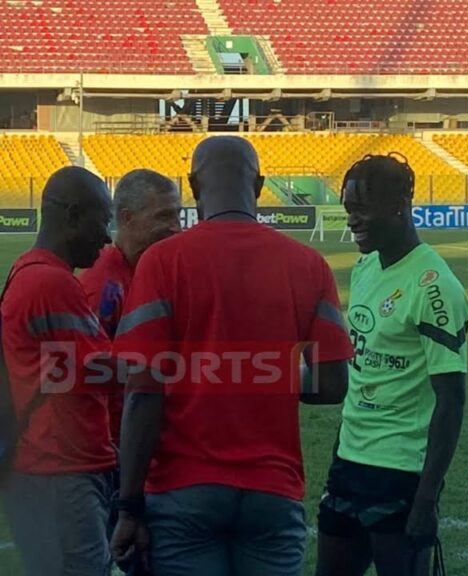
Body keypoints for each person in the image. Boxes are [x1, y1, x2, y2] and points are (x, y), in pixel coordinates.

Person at [110, 138, 353, 576]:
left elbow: (143, 391)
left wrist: (128, 505)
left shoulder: (162, 262)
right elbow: (333, 383)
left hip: (183, 491)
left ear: (193, 186)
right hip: (273, 492)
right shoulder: (309, 264)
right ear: (259, 185)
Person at [314, 152, 468, 576]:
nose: (351, 222)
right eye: (349, 211)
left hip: (401, 472)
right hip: (349, 464)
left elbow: (451, 401)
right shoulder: (364, 268)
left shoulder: (435, 288)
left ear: (398, 205)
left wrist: (426, 500)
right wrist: (340, 448)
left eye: (361, 211)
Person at [1, 166, 114, 576]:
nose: (106, 236)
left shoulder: (28, 272)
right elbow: (100, 371)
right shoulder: (52, 283)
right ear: (71, 215)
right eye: (101, 220)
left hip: (48, 470)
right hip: (59, 473)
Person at [79, 170, 182, 446]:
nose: (176, 227)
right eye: (163, 216)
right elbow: (92, 377)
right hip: (117, 443)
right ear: (127, 218)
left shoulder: (158, 272)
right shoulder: (102, 287)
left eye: (178, 215)